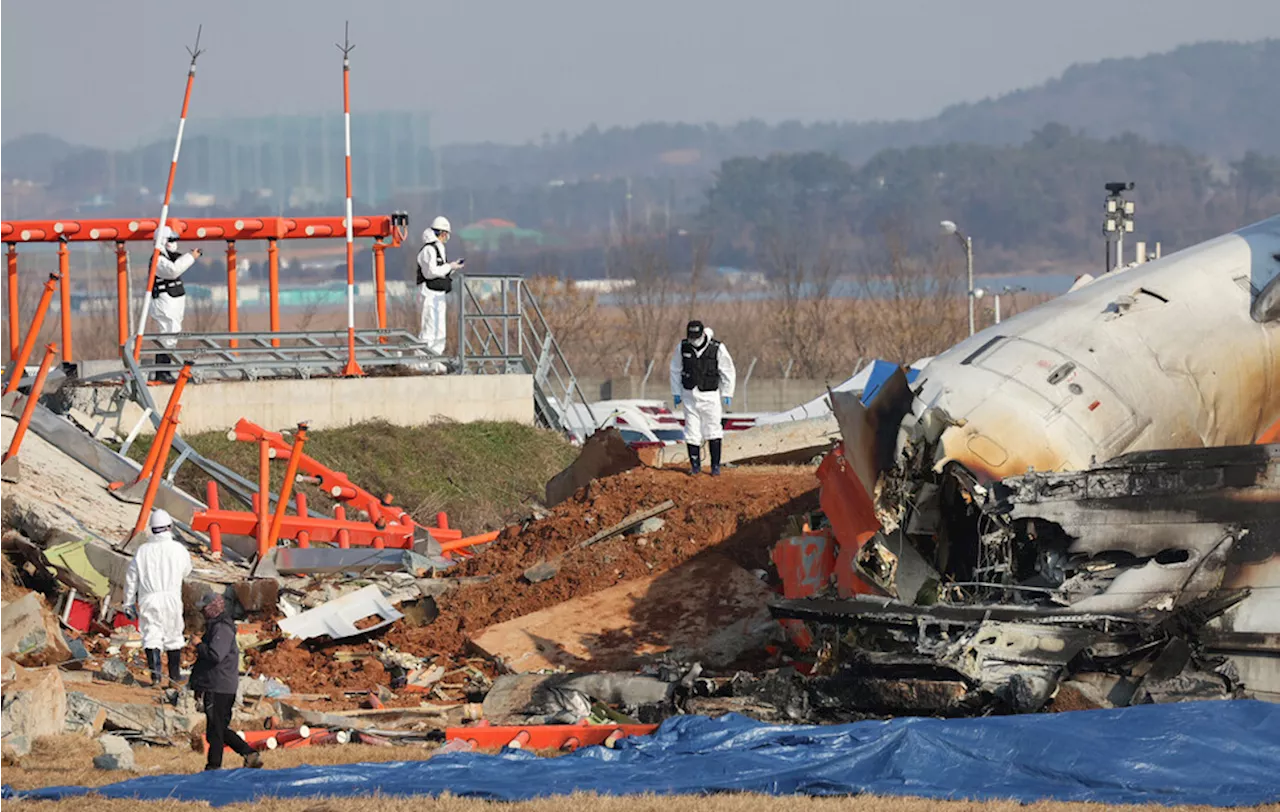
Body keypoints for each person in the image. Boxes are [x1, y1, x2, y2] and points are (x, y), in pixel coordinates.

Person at [190, 592, 263, 771]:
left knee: (216, 729)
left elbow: (216, 655)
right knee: (218, 728)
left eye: (204, 608)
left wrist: (199, 645)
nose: (202, 612)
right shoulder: (216, 626)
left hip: (219, 685)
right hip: (216, 684)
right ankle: (249, 754)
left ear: (213, 607)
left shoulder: (222, 628)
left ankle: (214, 767)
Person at [122, 508, 193, 688]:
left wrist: (128, 603)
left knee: (151, 635)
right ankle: (174, 678)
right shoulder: (179, 549)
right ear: (169, 527)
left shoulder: (143, 551)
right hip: (171, 597)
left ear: (152, 529)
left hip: (149, 598)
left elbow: (131, 578)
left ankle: (155, 678)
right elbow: (187, 570)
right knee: (173, 635)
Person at [669, 320, 736, 476]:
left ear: (702, 334)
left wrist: (727, 392)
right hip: (689, 395)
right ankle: (695, 467)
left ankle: (715, 467)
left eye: (696, 337)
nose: (693, 340)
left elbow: (728, 370)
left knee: (713, 429)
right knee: (691, 430)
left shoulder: (716, 348)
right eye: (691, 336)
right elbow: (675, 369)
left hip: (710, 396)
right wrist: (676, 392)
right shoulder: (683, 347)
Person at [150, 225, 201, 384]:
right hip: (165, 301)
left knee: (173, 333)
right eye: (171, 240)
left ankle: (166, 370)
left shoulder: (172, 257)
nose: (174, 243)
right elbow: (173, 271)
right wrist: (190, 257)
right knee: (167, 333)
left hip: (175, 300)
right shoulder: (158, 259)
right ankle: (162, 371)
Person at [416, 216, 465, 374]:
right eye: (446, 234)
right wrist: (448, 267)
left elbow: (440, 270)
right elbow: (431, 273)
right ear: (441, 233)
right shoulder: (429, 249)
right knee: (429, 330)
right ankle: (422, 363)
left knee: (439, 330)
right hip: (429, 294)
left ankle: (435, 362)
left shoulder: (438, 249)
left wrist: (452, 267)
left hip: (439, 294)